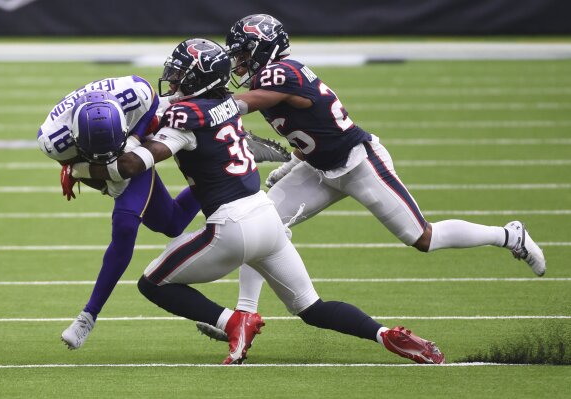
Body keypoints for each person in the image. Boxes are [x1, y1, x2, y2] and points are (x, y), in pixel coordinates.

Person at [63, 38, 445, 365]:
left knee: (152, 284)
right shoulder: (226, 104)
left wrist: (79, 170)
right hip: (266, 217)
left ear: (195, 79)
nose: (173, 79)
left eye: (180, 74)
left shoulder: (184, 117)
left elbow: (132, 165)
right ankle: (386, 335)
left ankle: (232, 321)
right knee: (312, 307)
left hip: (231, 226)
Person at [194, 13, 547, 342]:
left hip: (359, 163)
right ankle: (243, 318)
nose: (237, 62)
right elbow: (313, 127)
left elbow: (247, 103)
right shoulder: (270, 77)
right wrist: (295, 160)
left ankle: (508, 235)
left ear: (262, 49)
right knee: (264, 225)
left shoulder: (281, 73)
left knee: (423, 237)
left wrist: (201, 109)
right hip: (319, 167)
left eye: (242, 53)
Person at [38, 77, 202, 349]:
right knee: (172, 223)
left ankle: (88, 316)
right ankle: (219, 170)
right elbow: (74, 165)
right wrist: (96, 180)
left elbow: (149, 102)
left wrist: (134, 139)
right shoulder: (54, 139)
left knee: (126, 224)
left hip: (140, 127)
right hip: (102, 147)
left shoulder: (136, 94)